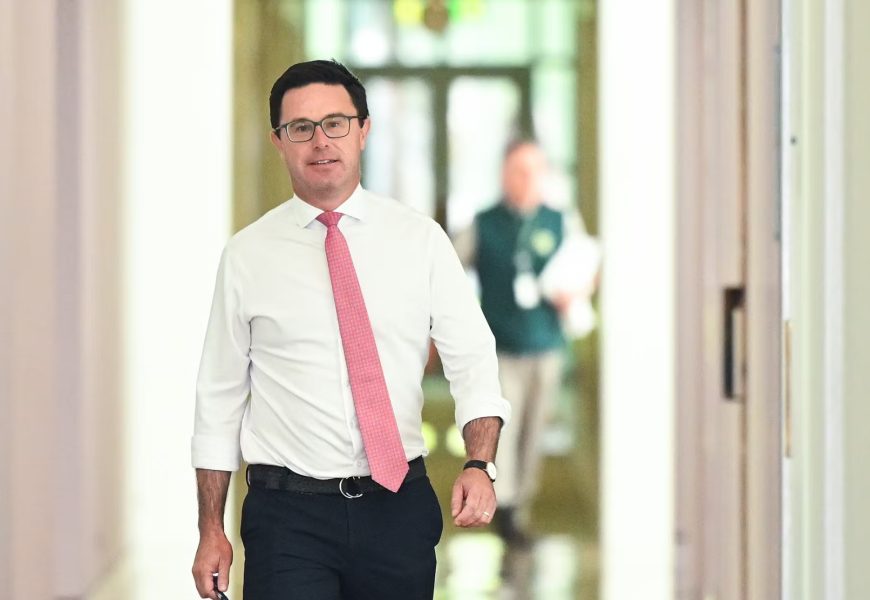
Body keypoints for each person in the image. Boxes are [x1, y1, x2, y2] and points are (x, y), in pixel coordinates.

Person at [190, 59, 510, 600]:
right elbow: (218, 397)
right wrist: (210, 529)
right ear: (278, 142)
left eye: (335, 123)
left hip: (397, 508)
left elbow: (473, 359)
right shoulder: (247, 256)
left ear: (363, 130)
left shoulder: (420, 241)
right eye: (301, 128)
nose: (321, 141)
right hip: (286, 518)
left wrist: (480, 463)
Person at [453, 139, 598, 550]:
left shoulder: (560, 221)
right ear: (504, 174)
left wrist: (577, 292)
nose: (526, 178)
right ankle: (505, 509)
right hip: (501, 347)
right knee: (504, 427)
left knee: (534, 430)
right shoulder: (484, 223)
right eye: (518, 170)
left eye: (534, 170)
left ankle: (521, 506)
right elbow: (450, 271)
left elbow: (586, 269)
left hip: (545, 345)